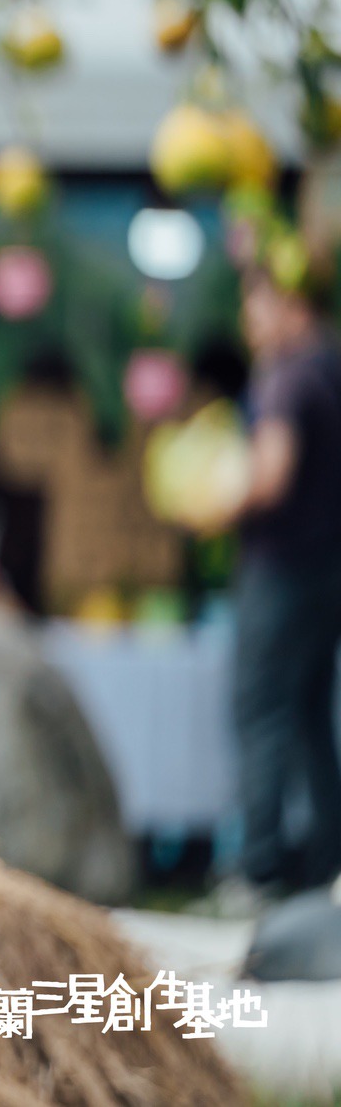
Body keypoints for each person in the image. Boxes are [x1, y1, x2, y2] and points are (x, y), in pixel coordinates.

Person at [221, 262, 341, 900]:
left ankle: (260, 866)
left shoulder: (288, 378)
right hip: (327, 568)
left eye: (257, 305)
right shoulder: (331, 368)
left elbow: (270, 476)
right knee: (313, 715)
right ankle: (329, 862)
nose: (250, 322)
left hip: (281, 568)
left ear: (291, 302)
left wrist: (211, 503)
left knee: (261, 709)